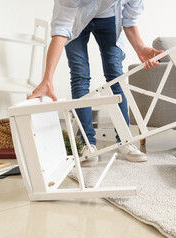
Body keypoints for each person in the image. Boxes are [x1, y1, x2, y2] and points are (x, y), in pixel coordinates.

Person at [28, 0, 162, 166]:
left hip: (109, 18)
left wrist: (140, 48)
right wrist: (47, 79)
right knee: (80, 76)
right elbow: (61, 29)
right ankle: (88, 144)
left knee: (116, 76)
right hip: (76, 18)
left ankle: (125, 140)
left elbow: (129, 19)